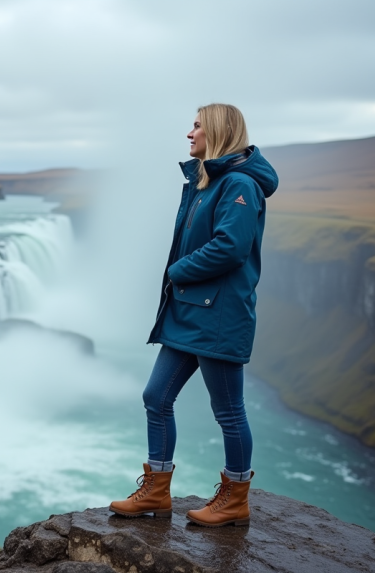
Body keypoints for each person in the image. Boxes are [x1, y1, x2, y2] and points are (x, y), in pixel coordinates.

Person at [109, 103, 279, 526]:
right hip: (190, 311)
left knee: (228, 410)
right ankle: (156, 491)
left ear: (217, 132)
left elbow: (230, 246)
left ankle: (235, 497)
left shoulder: (239, 184)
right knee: (156, 397)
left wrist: (177, 270)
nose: (190, 133)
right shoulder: (208, 180)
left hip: (219, 315)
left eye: (198, 126)